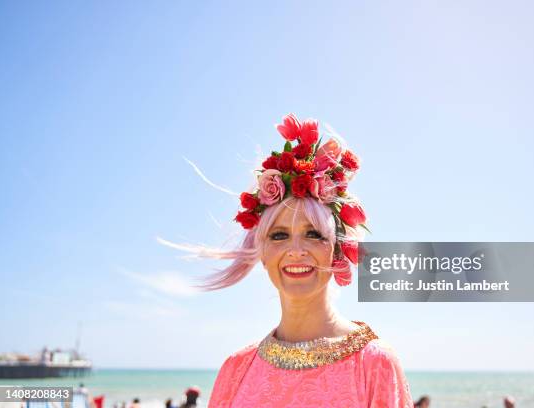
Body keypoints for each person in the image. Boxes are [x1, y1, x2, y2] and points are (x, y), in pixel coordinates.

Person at [164, 113, 414, 407]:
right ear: (263, 253)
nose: (296, 250)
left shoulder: (374, 364)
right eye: (280, 236)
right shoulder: (235, 369)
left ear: (336, 250)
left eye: (314, 234)